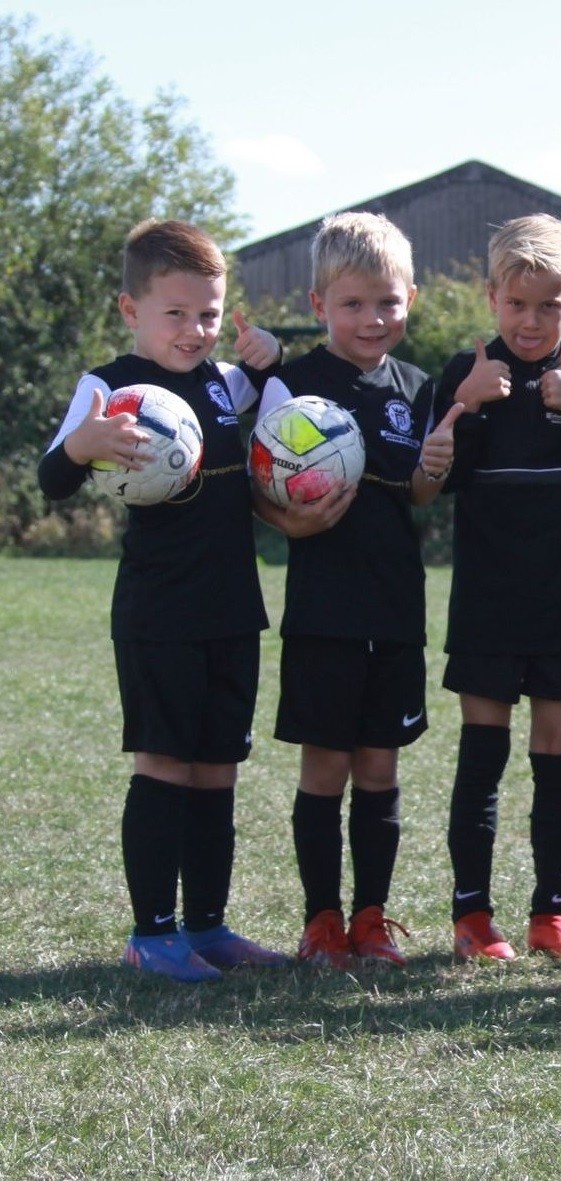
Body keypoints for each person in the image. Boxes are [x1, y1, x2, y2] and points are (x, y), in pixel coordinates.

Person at [36, 219, 288, 981]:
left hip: (232, 608)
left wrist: (273, 357)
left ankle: (208, 926)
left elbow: (278, 391)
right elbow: (52, 472)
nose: (195, 330)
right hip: (159, 612)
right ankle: (152, 932)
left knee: (218, 770)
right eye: (174, 313)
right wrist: (85, 444)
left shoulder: (220, 381)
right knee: (164, 766)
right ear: (129, 310)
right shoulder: (108, 384)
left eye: (208, 314)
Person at [253, 212, 458, 970]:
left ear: (410, 300)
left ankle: (371, 918)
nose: (372, 319)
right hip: (323, 611)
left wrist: (434, 464)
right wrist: (291, 523)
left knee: (380, 768)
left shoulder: (417, 386)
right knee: (324, 770)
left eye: (388, 303)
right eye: (353, 304)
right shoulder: (294, 383)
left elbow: (419, 496)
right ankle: (321, 922)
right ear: (318, 306)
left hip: (396, 608)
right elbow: (260, 487)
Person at [436, 214, 561, 961]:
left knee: (557, 757)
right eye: (516, 304)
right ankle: (471, 915)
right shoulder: (466, 373)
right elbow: (441, 478)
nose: (530, 320)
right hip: (488, 599)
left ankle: (550, 912)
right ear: (492, 297)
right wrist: (464, 405)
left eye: (548, 305)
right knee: (481, 758)